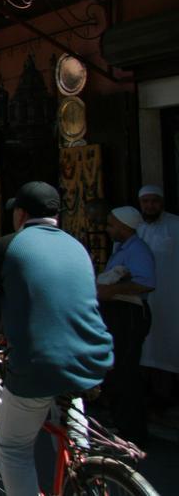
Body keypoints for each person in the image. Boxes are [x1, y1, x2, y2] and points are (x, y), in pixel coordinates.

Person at [0, 181, 114, 496]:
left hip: (38, 364)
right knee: (68, 426)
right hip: (90, 358)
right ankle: (84, 470)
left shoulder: (9, 246)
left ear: (20, 214)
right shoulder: (76, 247)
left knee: (14, 447)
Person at [97, 205, 155, 441]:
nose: (109, 228)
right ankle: (121, 424)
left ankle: (133, 431)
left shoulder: (138, 250)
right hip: (118, 313)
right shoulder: (121, 249)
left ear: (124, 226)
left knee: (126, 370)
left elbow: (147, 282)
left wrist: (112, 290)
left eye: (112, 224)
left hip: (129, 314)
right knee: (117, 368)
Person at [136, 184, 179, 410]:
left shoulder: (175, 225)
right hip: (141, 296)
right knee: (146, 345)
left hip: (170, 296)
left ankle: (166, 394)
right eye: (146, 202)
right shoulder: (135, 227)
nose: (150, 206)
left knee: (167, 342)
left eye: (154, 201)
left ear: (161, 203)